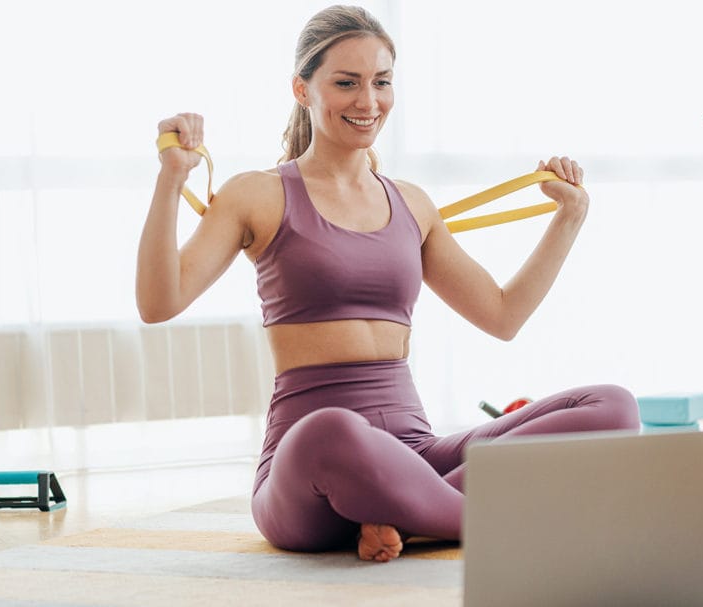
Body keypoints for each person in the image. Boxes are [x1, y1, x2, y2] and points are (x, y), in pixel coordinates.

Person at [136, 5, 640, 563]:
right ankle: (474, 514)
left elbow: (502, 316)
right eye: (346, 83)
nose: (367, 101)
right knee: (331, 431)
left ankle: (407, 507)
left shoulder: (412, 204)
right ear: (302, 89)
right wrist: (172, 177)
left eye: (381, 82)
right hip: (311, 467)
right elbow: (159, 302)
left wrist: (569, 218)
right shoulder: (257, 193)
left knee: (612, 406)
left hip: (415, 453)